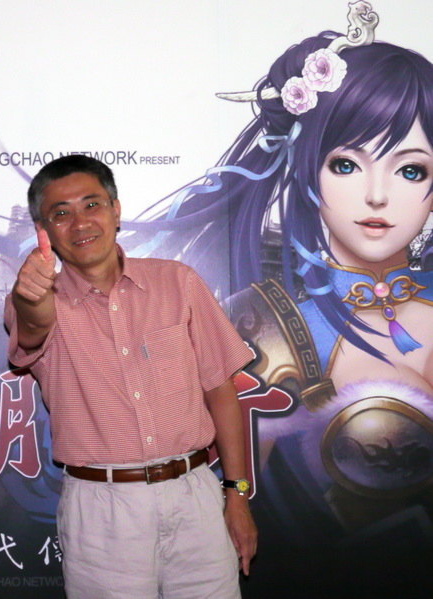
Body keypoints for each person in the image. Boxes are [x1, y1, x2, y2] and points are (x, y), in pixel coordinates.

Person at [151, 3, 433, 595]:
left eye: (411, 171)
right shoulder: (264, 326)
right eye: (346, 164)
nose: (377, 195)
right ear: (307, 171)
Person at [4, 154, 256, 598]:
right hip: (102, 510)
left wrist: (236, 493)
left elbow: (220, 391)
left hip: (195, 495)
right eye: (61, 214)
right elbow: (33, 322)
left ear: (116, 210)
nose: (80, 223)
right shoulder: (35, 299)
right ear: (43, 230)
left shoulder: (177, 281)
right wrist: (29, 296)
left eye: (92, 205)